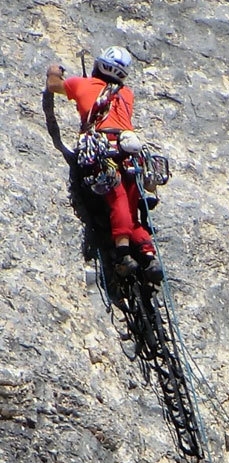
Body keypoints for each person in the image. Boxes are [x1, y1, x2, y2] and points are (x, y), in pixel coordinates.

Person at [46, 46, 163, 284]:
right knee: (132, 209)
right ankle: (148, 254)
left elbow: (53, 86)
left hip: (103, 150)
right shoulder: (126, 94)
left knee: (117, 197)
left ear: (99, 65)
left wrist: (53, 71)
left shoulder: (82, 84)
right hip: (130, 154)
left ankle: (123, 255)